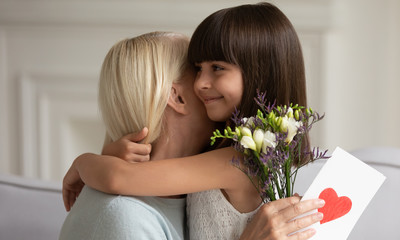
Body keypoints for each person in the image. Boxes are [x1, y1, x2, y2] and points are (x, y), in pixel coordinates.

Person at [63, 3, 325, 240]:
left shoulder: (237, 161)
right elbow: (122, 178)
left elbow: (119, 178)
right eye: (197, 69)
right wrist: (109, 155)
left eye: (217, 68)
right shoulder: (128, 214)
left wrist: (84, 162)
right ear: (175, 96)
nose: (202, 83)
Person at [59, 31, 216, 239]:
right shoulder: (125, 217)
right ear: (176, 97)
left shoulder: (199, 197)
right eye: (198, 71)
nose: (214, 83)